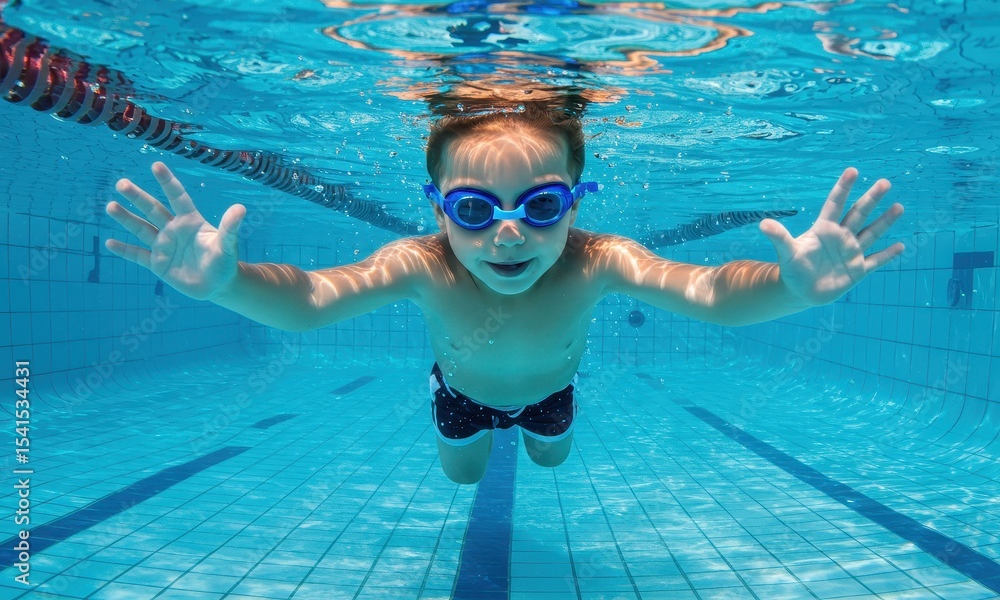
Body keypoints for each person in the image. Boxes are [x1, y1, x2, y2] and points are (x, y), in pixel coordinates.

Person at [105, 106, 905, 484]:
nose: (510, 235)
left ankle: (542, 422)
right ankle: (462, 412)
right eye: (478, 211)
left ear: (576, 205)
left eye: (542, 205)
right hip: (461, 396)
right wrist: (227, 284)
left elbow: (709, 292)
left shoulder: (600, 260)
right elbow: (313, 297)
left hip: (552, 393)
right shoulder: (422, 263)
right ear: (439, 208)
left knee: (553, 456)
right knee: (463, 476)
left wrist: (790, 288)